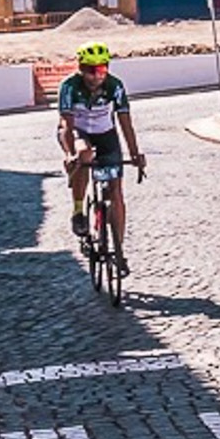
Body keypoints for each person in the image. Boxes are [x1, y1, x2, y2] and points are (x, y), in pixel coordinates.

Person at [57, 42, 147, 273]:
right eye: (90, 70)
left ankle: (118, 249)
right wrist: (70, 154)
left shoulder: (114, 86)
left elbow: (126, 123)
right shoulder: (69, 87)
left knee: (115, 193)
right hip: (79, 133)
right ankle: (78, 210)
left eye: (101, 70)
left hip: (106, 135)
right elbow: (66, 125)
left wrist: (135, 154)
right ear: (80, 68)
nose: (96, 76)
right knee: (84, 155)